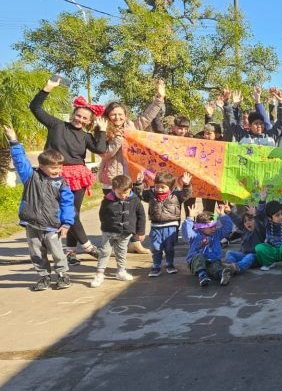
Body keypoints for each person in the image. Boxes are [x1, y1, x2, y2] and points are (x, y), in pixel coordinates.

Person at [30, 77, 107, 266]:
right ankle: (89, 248)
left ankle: (71, 251)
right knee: (64, 213)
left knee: (73, 213)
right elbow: (35, 108)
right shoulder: (57, 125)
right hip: (54, 174)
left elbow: (100, 149)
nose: (80, 119)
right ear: (73, 114)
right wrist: (48, 88)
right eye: (78, 115)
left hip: (77, 176)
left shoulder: (86, 136)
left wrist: (102, 130)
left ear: (89, 121)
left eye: (85, 118)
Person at [98, 80, 165, 254]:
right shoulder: (102, 130)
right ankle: (114, 244)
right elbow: (105, 154)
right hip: (112, 180)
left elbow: (147, 117)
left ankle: (134, 243)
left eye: (120, 114)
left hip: (132, 178)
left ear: (125, 115)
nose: (117, 118)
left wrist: (159, 99)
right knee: (114, 213)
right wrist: (119, 139)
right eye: (113, 115)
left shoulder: (131, 127)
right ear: (108, 116)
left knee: (133, 211)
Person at [6, 125, 74, 291]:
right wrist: (14, 141)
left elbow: (67, 203)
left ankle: (62, 275)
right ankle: (44, 277)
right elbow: (20, 161)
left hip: (52, 226)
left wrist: (66, 223)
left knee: (57, 252)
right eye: (53, 167)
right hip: (32, 225)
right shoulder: (31, 177)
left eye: (60, 167)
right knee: (36, 253)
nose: (57, 171)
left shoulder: (61, 183)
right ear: (41, 166)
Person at [90, 175, 146, 288]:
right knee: (105, 252)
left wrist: (140, 231)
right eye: (119, 193)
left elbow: (141, 215)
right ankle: (99, 274)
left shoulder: (135, 200)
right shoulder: (107, 200)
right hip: (109, 231)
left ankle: (121, 271)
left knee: (121, 252)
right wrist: (107, 225)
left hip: (125, 232)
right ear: (113, 189)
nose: (123, 196)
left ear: (131, 188)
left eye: (126, 193)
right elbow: (102, 214)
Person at [134, 170, 193, 277]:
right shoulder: (151, 194)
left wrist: (187, 184)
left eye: (163, 187)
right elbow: (140, 194)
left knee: (169, 248)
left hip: (171, 226)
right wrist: (138, 183)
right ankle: (156, 266)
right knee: (156, 248)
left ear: (170, 187)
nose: (159, 189)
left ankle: (170, 264)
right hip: (155, 226)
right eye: (157, 187)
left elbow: (187, 194)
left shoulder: (176, 195)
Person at [183, 203, 236, 287]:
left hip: (212, 260)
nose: (214, 229)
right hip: (195, 262)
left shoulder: (217, 233)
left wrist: (222, 215)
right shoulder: (195, 234)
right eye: (211, 226)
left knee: (215, 266)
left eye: (215, 226)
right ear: (201, 227)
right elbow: (187, 232)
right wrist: (190, 218)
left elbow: (228, 228)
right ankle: (202, 275)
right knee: (199, 257)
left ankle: (221, 275)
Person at [255, 186, 282, 271]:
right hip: (272, 249)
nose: (281, 216)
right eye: (277, 215)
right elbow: (260, 214)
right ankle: (269, 263)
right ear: (269, 218)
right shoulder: (267, 222)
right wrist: (262, 200)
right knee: (259, 248)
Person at [222, 205, 265, 274]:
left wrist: (254, 215)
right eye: (245, 221)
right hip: (244, 255)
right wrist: (230, 212)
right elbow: (238, 221)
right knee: (230, 252)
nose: (247, 222)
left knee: (250, 256)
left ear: (255, 220)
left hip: (256, 257)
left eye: (250, 220)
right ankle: (229, 267)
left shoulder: (258, 230)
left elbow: (259, 224)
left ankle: (237, 267)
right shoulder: (245, 229)